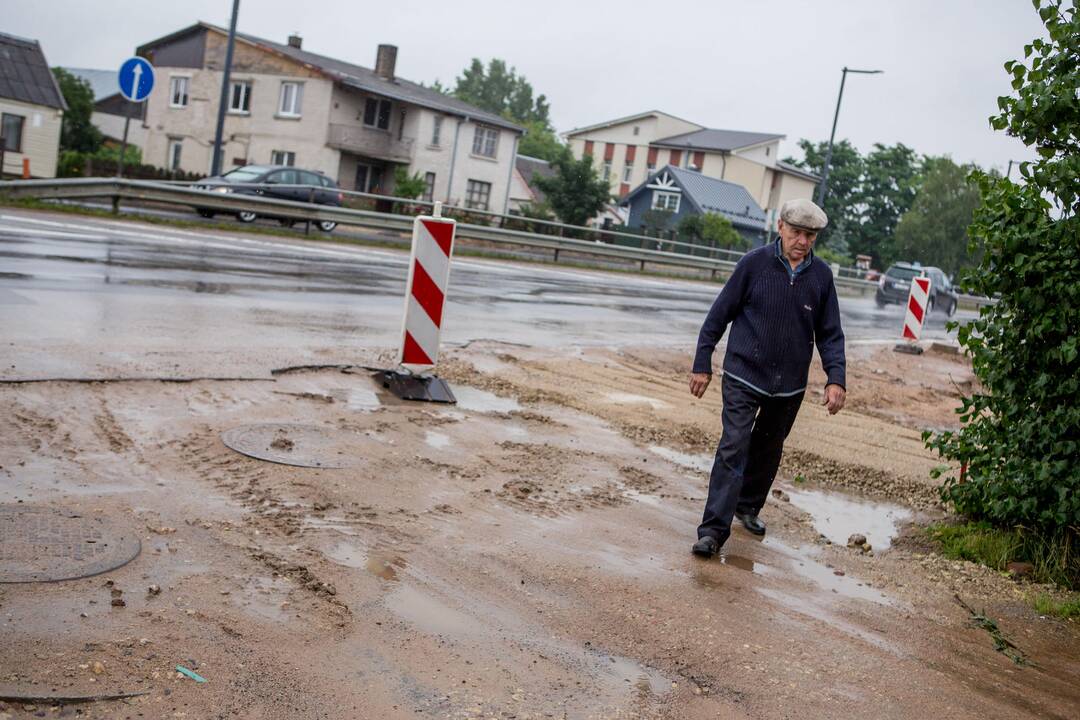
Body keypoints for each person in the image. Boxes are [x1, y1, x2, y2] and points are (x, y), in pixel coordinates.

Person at [688, 198, 846, 558]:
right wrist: (702, 362)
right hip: (743, 373)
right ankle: (712, 531)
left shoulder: (821, 277)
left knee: (768, 450)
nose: (803, 241)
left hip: (788, 384)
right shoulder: (753, 265)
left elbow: (831, 333)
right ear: (780, 227)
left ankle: (748, 507)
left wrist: (836, 379)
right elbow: (718, 316)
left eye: (810, 235)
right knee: (733, 447)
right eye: (797, 233)